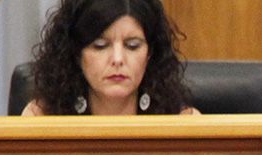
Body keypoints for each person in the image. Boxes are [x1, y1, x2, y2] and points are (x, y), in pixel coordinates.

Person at [22, 0, 199, 116]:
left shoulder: (183, 123)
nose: (117, 59)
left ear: (150, 53)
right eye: (100, 46)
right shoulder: (41, 119)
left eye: (132, 46)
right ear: (76, 53)